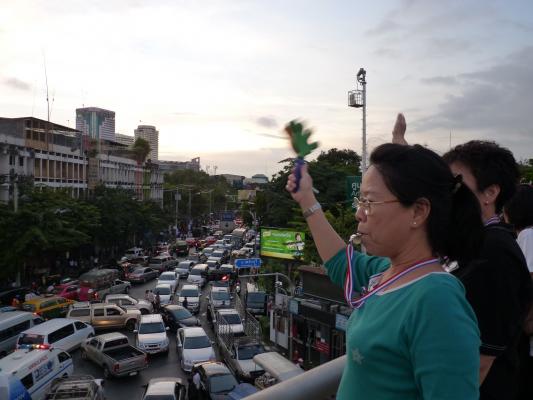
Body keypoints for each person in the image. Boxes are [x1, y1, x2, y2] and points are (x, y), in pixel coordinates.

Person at [286, 142, 483, 399]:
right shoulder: (385, 272)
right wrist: (307, 199)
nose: (359, 213)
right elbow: (340, 263)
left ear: (418, 211)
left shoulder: (437, 300)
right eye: (360, 201)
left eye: (369, 202)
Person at [443, 141, 533, 400]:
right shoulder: (476, 243)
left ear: (490, 192)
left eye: (455, 184)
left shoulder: (495, 251)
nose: (446, 194)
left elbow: (481, 358)